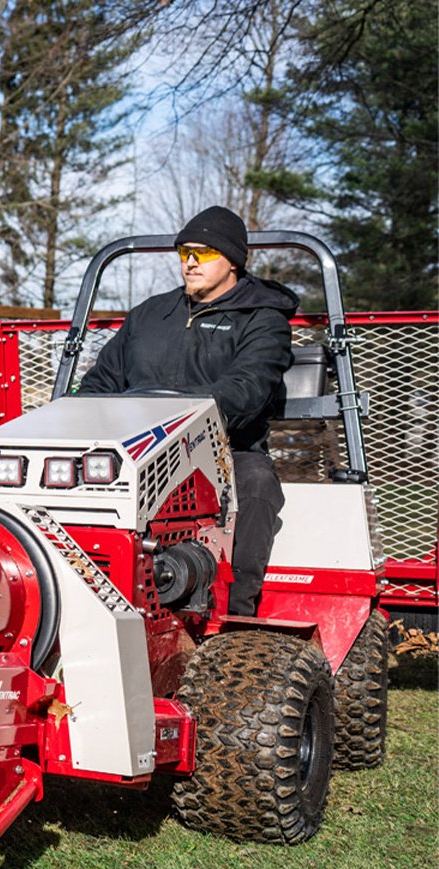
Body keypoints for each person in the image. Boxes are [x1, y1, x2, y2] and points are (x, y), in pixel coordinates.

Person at [77, 205, 298, 616]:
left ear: (232, 261)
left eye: (204, 253)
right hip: (138, 449)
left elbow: (248, 388)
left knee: (256, 483)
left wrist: (183, 424)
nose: (191, 262)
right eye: (184, 253)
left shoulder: (263, 320)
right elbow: (101, 381)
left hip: (224, 451)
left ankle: (235, 616)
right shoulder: (150, 315)